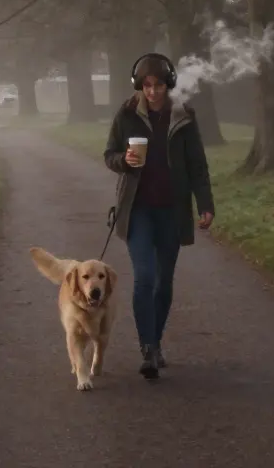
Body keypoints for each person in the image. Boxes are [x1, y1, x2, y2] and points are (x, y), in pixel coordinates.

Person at [103, 52, 215, 380]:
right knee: (145, 277)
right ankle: (148, 348)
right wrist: (123, 161)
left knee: (164, 281)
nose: (153, 91)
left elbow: (198, 166)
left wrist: (206, 203)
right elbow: (109, 155)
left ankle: (157, 341)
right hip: (137, 211)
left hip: (172, 210)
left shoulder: (183, 116)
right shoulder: (126, 115)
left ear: (169, 84)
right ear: (139, 85)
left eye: (159, 85)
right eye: (147, 85)